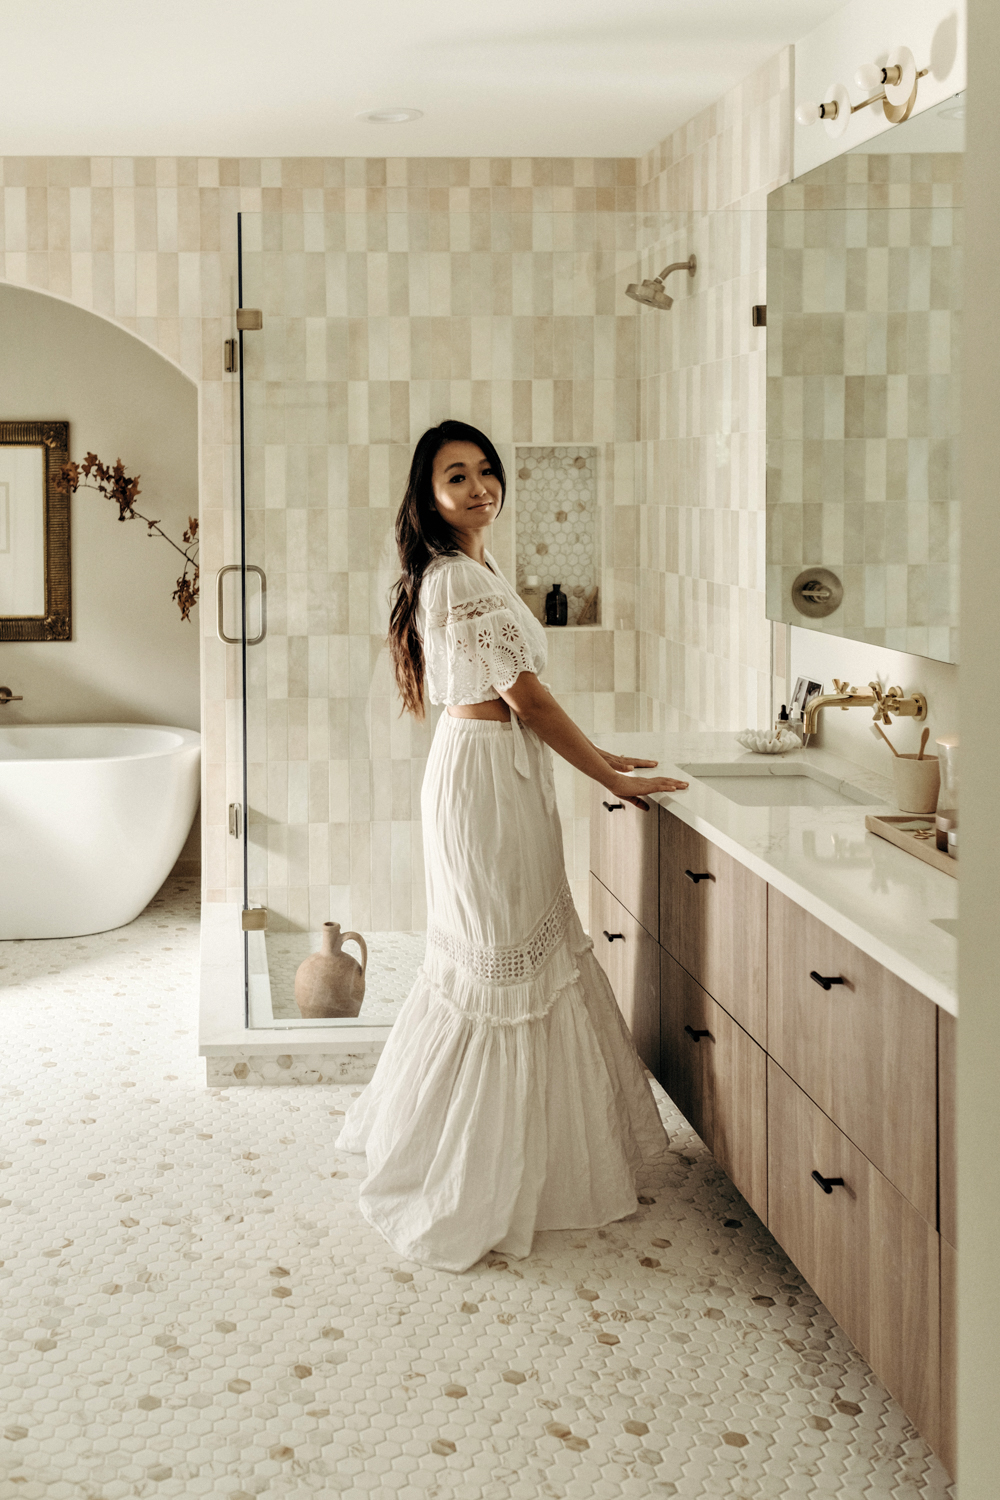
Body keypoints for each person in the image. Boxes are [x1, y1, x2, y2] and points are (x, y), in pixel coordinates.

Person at [338, 420, 689, 1272]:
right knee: (501, 965)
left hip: (491, 769)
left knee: (502, 956)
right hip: (487, 776)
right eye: (457, 476)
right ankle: (468, 1176)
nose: (480, 486)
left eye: (487, 470)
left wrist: (607, 754)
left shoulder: (467, 569)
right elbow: (524, 700)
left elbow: (524, 700)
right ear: (427, 495)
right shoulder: (458, 577)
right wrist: (610, 776)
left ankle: (522, 1159)